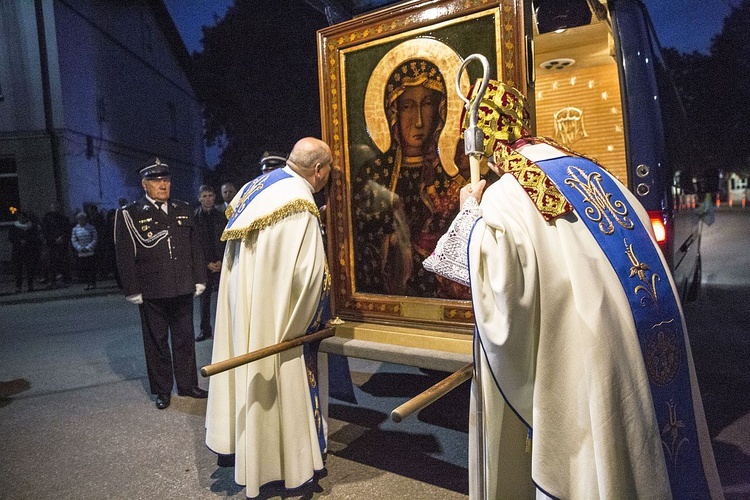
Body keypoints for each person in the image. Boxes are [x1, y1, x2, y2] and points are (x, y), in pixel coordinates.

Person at [424, 81, 724, 498]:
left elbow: (493, 287)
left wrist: (470, 214)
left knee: (598, 472)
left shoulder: (508, 192)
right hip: (644, 342)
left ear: (485, 145)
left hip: (586, 350)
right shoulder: (591, 169)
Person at [205, 137, 334, 498]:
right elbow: (308, 277)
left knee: (247, 370)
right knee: (279, 379)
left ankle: (245, 451)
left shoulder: (253, 188)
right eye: (329, 172)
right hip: (278, 322)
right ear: (319, 170)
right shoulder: (300, 200)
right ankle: (281, 467)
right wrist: (308, 324)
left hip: (244, 308)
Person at [353, 58, 470, 298]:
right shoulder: (373, 175)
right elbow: (359, 241)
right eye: (407, 106)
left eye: (426, 104)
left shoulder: (450, 175)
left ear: (439, 109)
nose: (418, 120)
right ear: (393, 111)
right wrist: (393, 243)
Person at [114, 158, 208, 410]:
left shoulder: (183, 208)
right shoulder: (130, 214)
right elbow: (124, 255)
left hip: (182, 287)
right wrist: (131, 289)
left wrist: (200, 277)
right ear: (145, 185)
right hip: (152, 290)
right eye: (157, 181)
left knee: (184, 339)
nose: (163, 185)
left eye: (166, 180)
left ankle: (188, 385)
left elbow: (195, 247)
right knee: (157, 342)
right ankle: (162, 389)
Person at [194, 184, 226, 342]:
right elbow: (194, 244)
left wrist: (222, 260)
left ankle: (226, 330)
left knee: (226, 298)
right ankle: (205, 330)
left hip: (221, 262)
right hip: (204, 265)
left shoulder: (221, 216)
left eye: (210, 196)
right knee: (204, 300)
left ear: (215, 197)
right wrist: (206, 263)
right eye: (204, 196)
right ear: (199, 198)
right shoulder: (194, 218)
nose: (207, 199)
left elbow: (226, 239)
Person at [8, 210, 43, 293]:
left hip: (29, 250)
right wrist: (19, 241)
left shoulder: (31, 226)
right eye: (19, 217)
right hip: (18, 251)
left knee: (30, 269)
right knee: (18, 270)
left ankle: (30, 285)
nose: (21, 218)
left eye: (23, 217)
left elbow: (35, 237)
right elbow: (11, 238)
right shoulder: (14, 227)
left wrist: (27, 240)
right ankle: (18, 286)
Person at [41, 202, 72, 288]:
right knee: (51, 262)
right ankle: (53, 280)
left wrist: (62, 238)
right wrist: (53, 239)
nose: (55, 208)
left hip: (62, 243)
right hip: (51, 243)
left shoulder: (64, 218)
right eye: (53, 207)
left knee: (63, 261)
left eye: (56, 207)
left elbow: (67, 230)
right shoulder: (47, 218)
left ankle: (64, 279)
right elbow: (45, 231)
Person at [70, 212, 98, 290]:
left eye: (82, 219)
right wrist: (79, 248)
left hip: (90, 251)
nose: (81, 221)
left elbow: (95, 238)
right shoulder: (75, 229)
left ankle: (93, 283)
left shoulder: (91, 227)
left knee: (91, 268)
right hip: (81, 252)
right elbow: (74, 240)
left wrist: (89, 247)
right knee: (83, 269)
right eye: (79, 219)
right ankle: (86, 283)